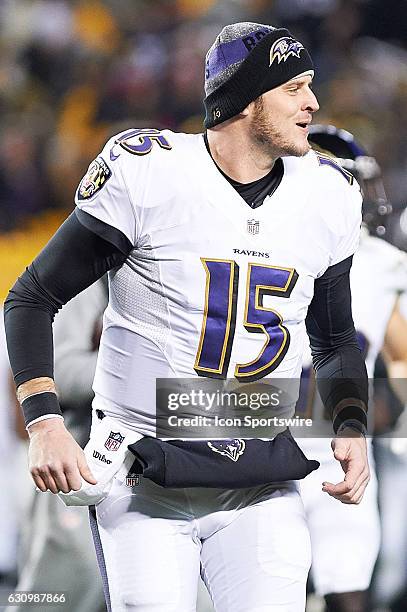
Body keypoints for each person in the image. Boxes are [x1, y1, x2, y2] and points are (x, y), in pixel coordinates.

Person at [4, 23, 370, 612]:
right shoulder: (149, 173)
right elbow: (31, 298)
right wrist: (45, 422)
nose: (313, 103)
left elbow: (333, 338)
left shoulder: (328, 194)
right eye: (294, 87)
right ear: (248, 100)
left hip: (260, 472)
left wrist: (351, 425)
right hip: (141, 473)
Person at [297, 125, 407, 612]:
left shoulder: (380, 263)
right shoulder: (265, 246)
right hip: (260, 436)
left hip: (341, 446)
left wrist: (389, 404)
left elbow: (401, 355)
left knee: (349, 592)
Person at [5, 280, 107, 612]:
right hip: (81, 467)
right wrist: (152, 381)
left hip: (170, 470)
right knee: (58, 596)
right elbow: (56, 370)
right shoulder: (99, 274)